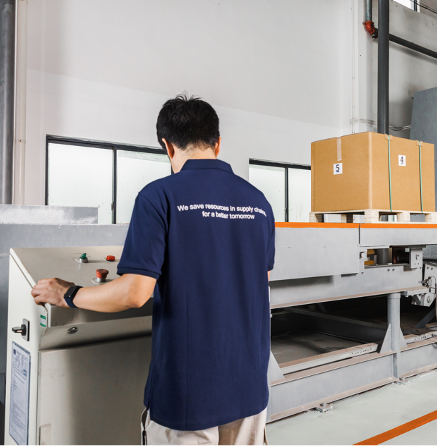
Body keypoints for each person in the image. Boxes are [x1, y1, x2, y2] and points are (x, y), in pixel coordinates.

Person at [31, 95, 275, 446]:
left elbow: (135, 292)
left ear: (167, 145)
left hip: (189, 393)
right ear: (218, 143)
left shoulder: (159, 196)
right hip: (250, 387)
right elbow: (259, 283)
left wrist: (68, 293)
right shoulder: (258, 202)